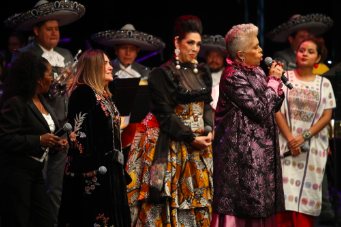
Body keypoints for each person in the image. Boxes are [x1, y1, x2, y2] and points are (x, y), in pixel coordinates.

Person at [125, 15, 213, 226]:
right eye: (190, 42)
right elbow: (165, 114)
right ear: (177, 42)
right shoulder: (162, 73)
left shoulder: (202, 70)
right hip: (172, 143)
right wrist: (191, 138)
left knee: (197, 204)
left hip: (199, 147)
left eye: (198, 44)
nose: (194, 48)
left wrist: (209, 129)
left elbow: (207, 105)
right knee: (166, 203)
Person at [5, 1, 85, 226]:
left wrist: (72, 85)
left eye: (57, 29)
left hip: (61, 126)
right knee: (30, 189)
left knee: (56, 186)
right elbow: (21, 91)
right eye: (49, 29)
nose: (54, 33)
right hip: (34, 128)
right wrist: (54, 87)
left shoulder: (66, 53)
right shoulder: (24, 55)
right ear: (36, 31)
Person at [211, 23, 285, 226]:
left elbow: (273, 107)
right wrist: (273, 81)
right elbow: (259, 111)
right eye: (256, 47)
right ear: (241, 54)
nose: (261, 50)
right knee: (245, 205)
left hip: (262, 153)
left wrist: (276, 83)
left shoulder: (258, 72)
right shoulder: (232, 76)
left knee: (262, 202)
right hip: (241, 157)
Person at [267, 14, 336, 225]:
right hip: (285, 145)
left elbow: (327, 115)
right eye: (302, 50)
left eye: (310, 51)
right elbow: (275, 109)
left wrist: (303, 137)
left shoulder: (324, 83)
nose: (304, 53)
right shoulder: (284, 77)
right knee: (284, 198)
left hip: (312, 147)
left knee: (306, 198)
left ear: (318, 59)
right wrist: (290, 138)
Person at [58, 49, 131, 227]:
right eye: (105, 63)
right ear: (93, 67)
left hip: (109, 170)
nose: (110, 67)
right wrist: (87, 166)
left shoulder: (104, 95)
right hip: (93, 172)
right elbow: (77, 133)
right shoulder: (84, 93)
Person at [0, 51, 68, 227]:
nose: (53, 78)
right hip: (16, 172)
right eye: (49, 74)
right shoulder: (16, 102)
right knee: (18, 221)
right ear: (38, 78)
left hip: (36, 172)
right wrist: (38, 140)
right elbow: (5, 138)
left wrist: (55, 143)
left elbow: (45, 133)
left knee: (46, 220)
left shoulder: (41, 99)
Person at [91, 24, 166, 163]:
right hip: (111, 125)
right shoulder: (106, 69)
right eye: (124, 48)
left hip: (138, 127)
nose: (128, 53)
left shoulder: (146, 72)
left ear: (137, 51)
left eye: (132, 49)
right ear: (116, 49)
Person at [266, 13, 333, 71]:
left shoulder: (314, 56)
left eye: (308, 36)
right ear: (291, 39)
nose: (306, 39)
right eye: (302, 37)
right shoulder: (282, 56)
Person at [198, 34, 226, 138]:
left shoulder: (229, 79)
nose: (214, 59)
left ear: (223, 58)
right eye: (211, 55)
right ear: (205, 56)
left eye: (218, 56)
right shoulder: (197, 77)